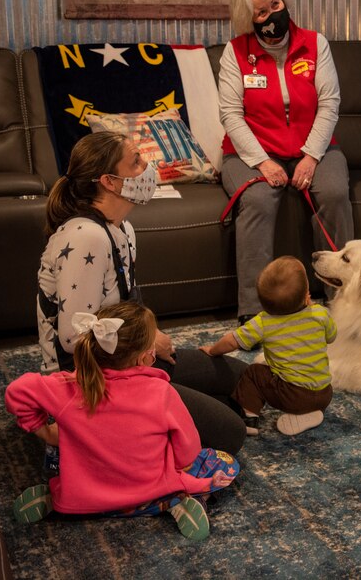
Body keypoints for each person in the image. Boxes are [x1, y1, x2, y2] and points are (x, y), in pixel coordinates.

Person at [37, 131, 246, 454]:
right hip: (89, 378)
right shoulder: (84, 237)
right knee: (230, 432)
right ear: (109, 181)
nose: (148, 167)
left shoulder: (123, 229)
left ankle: (146, 422)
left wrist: (149, 339)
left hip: (127, 360)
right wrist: (145, 341)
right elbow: (73, 339)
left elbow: (126, 302)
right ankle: (101, 433)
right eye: (136, 162)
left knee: (239, 380)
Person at [6, 302, 239, 540]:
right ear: (144, 357)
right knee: (222, 463)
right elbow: (187, 450)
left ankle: (55, 497)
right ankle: (178, 501)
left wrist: (44, 431)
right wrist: (181, 467)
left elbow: (17, 392)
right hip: (149, 493)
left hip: (86, 498)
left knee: (62, 458)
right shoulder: (162, 392)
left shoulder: (69, 385)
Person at [217, 0, 354, 325]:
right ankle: (253, 309)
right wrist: (263, 163)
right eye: (261, 12)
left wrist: (311, 157)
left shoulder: (314, 43)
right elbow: (231, 115)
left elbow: (330, 102)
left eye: (275, 4)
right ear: (249, 19)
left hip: (313, 146)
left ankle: (344, 297)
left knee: (336, 192)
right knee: (259, 199)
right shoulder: (235, 53)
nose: (271, 15)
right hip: (250, 151)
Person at [200, 256, 335, 436]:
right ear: (306, 295)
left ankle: (249, 418)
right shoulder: (320, 313)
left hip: (292, 396)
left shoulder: (264, 322)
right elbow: (331, 337)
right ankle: (310, 412)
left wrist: (212, 350)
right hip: (325, 392)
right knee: (274, 372)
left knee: (254, 373)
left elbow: (231, 341)